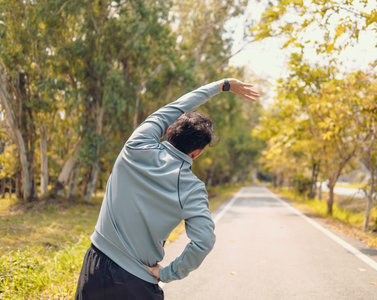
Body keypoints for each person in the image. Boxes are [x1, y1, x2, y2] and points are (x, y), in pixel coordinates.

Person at [75, 78, 259, 299]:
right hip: (136, 282)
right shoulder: (192, 189)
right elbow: (204, 241)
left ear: (169, 129)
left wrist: (221, 85)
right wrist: (168, 273)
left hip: (94, 267)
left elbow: (177, 107)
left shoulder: (137, 144)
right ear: (197, 152)